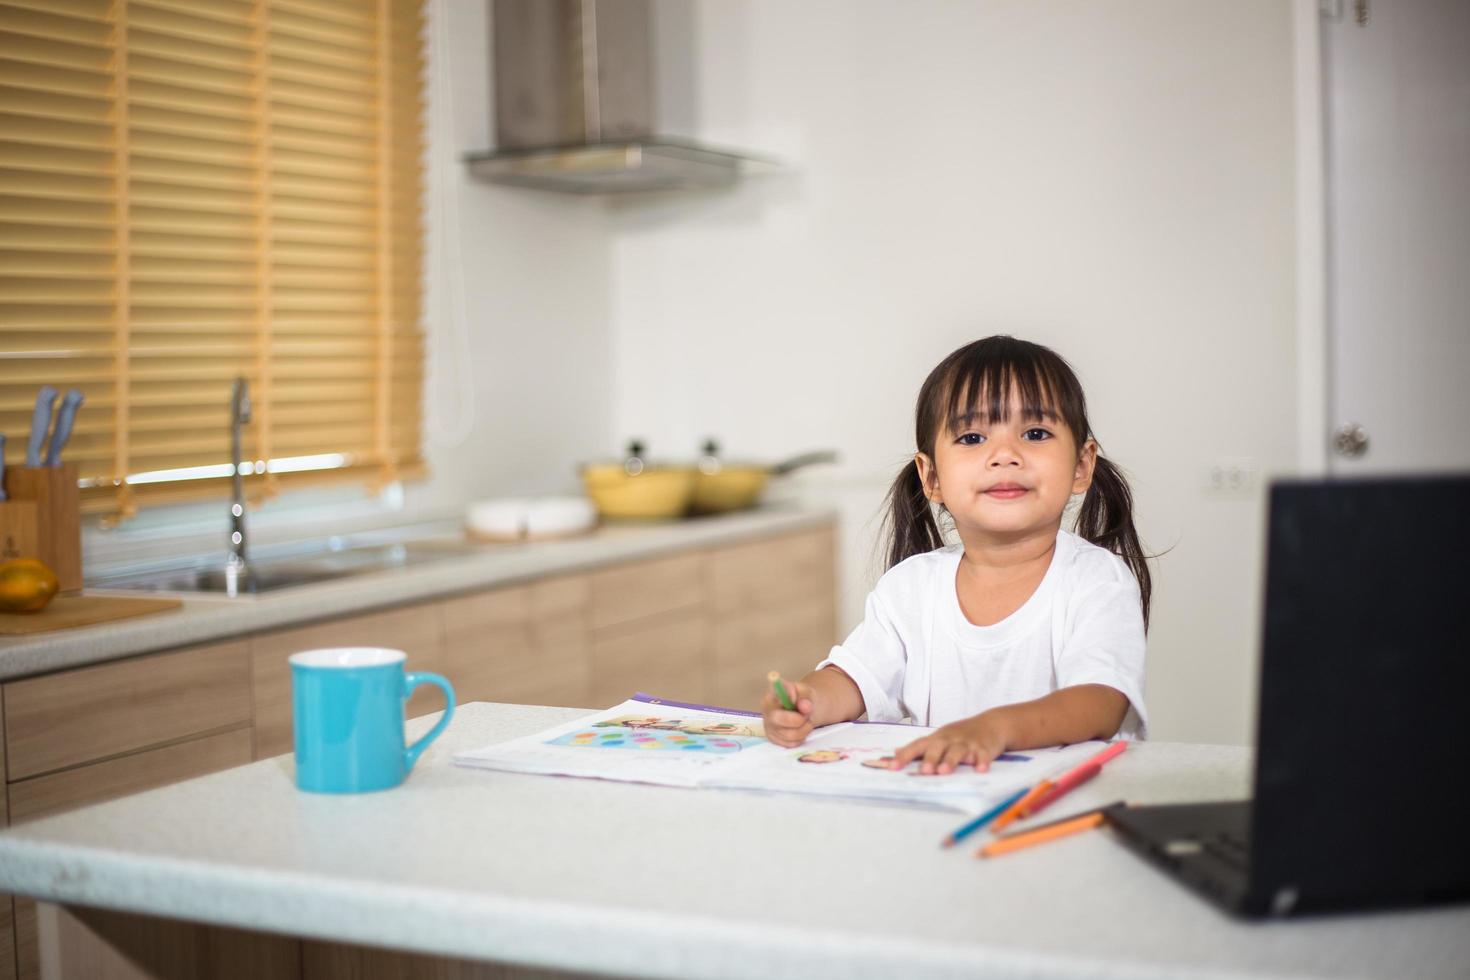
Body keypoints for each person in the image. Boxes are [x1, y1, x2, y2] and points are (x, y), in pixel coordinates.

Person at [761, 336, 1150, 775]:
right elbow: (855, 680)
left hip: (1063, 805)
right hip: (947, 804)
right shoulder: (910, 588)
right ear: (931, 477)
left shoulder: (1097, 580)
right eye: (972, 437)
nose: (1005, 455)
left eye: (1035, 434)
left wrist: (994, 728)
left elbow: (1099, 704)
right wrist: (808, 703)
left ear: (1082, 465)